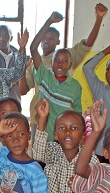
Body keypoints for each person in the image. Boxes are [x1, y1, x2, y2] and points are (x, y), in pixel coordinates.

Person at [22, 3, 108, 126]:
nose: (46, 41)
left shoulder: (67, 55)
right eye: (44, 38)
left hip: (64, 121)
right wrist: (21, 70)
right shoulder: (35, 65)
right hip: (39, 118)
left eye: (51, 38)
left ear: (58, 42)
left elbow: (88, 44)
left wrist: (99, 19)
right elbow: (23, 90)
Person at [29, 12, 82, 140]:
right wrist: (49, 21)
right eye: (57, 60)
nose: (60, 64)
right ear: (51, 64)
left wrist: (79, 137)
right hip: (42, 133)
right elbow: (33, 48)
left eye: (65, 61)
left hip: (63, 137)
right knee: (39, 160)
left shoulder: (75, 86)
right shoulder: (44, 76)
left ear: (70, 66)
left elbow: (77, 112)